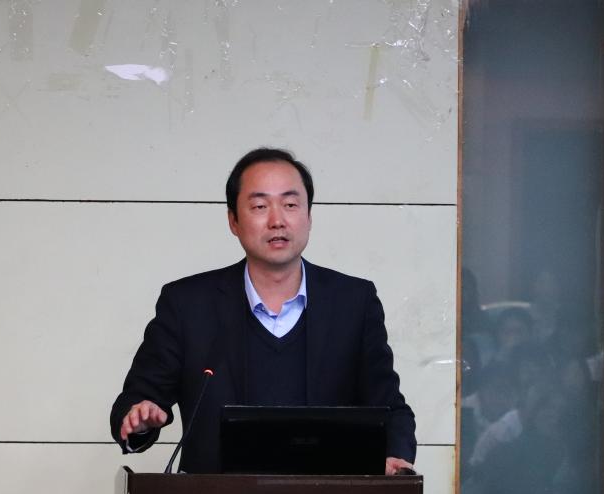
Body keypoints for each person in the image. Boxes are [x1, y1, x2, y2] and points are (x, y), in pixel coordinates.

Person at [110, 147, 416, 474]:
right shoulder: (188, 304)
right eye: (259, 206)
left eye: (290, 205)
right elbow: (138, 399)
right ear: (233, 221)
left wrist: (395, 456)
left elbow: (389, 406)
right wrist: (139, 418)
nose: (277, 220)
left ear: (309, 217)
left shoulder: (353, 302)